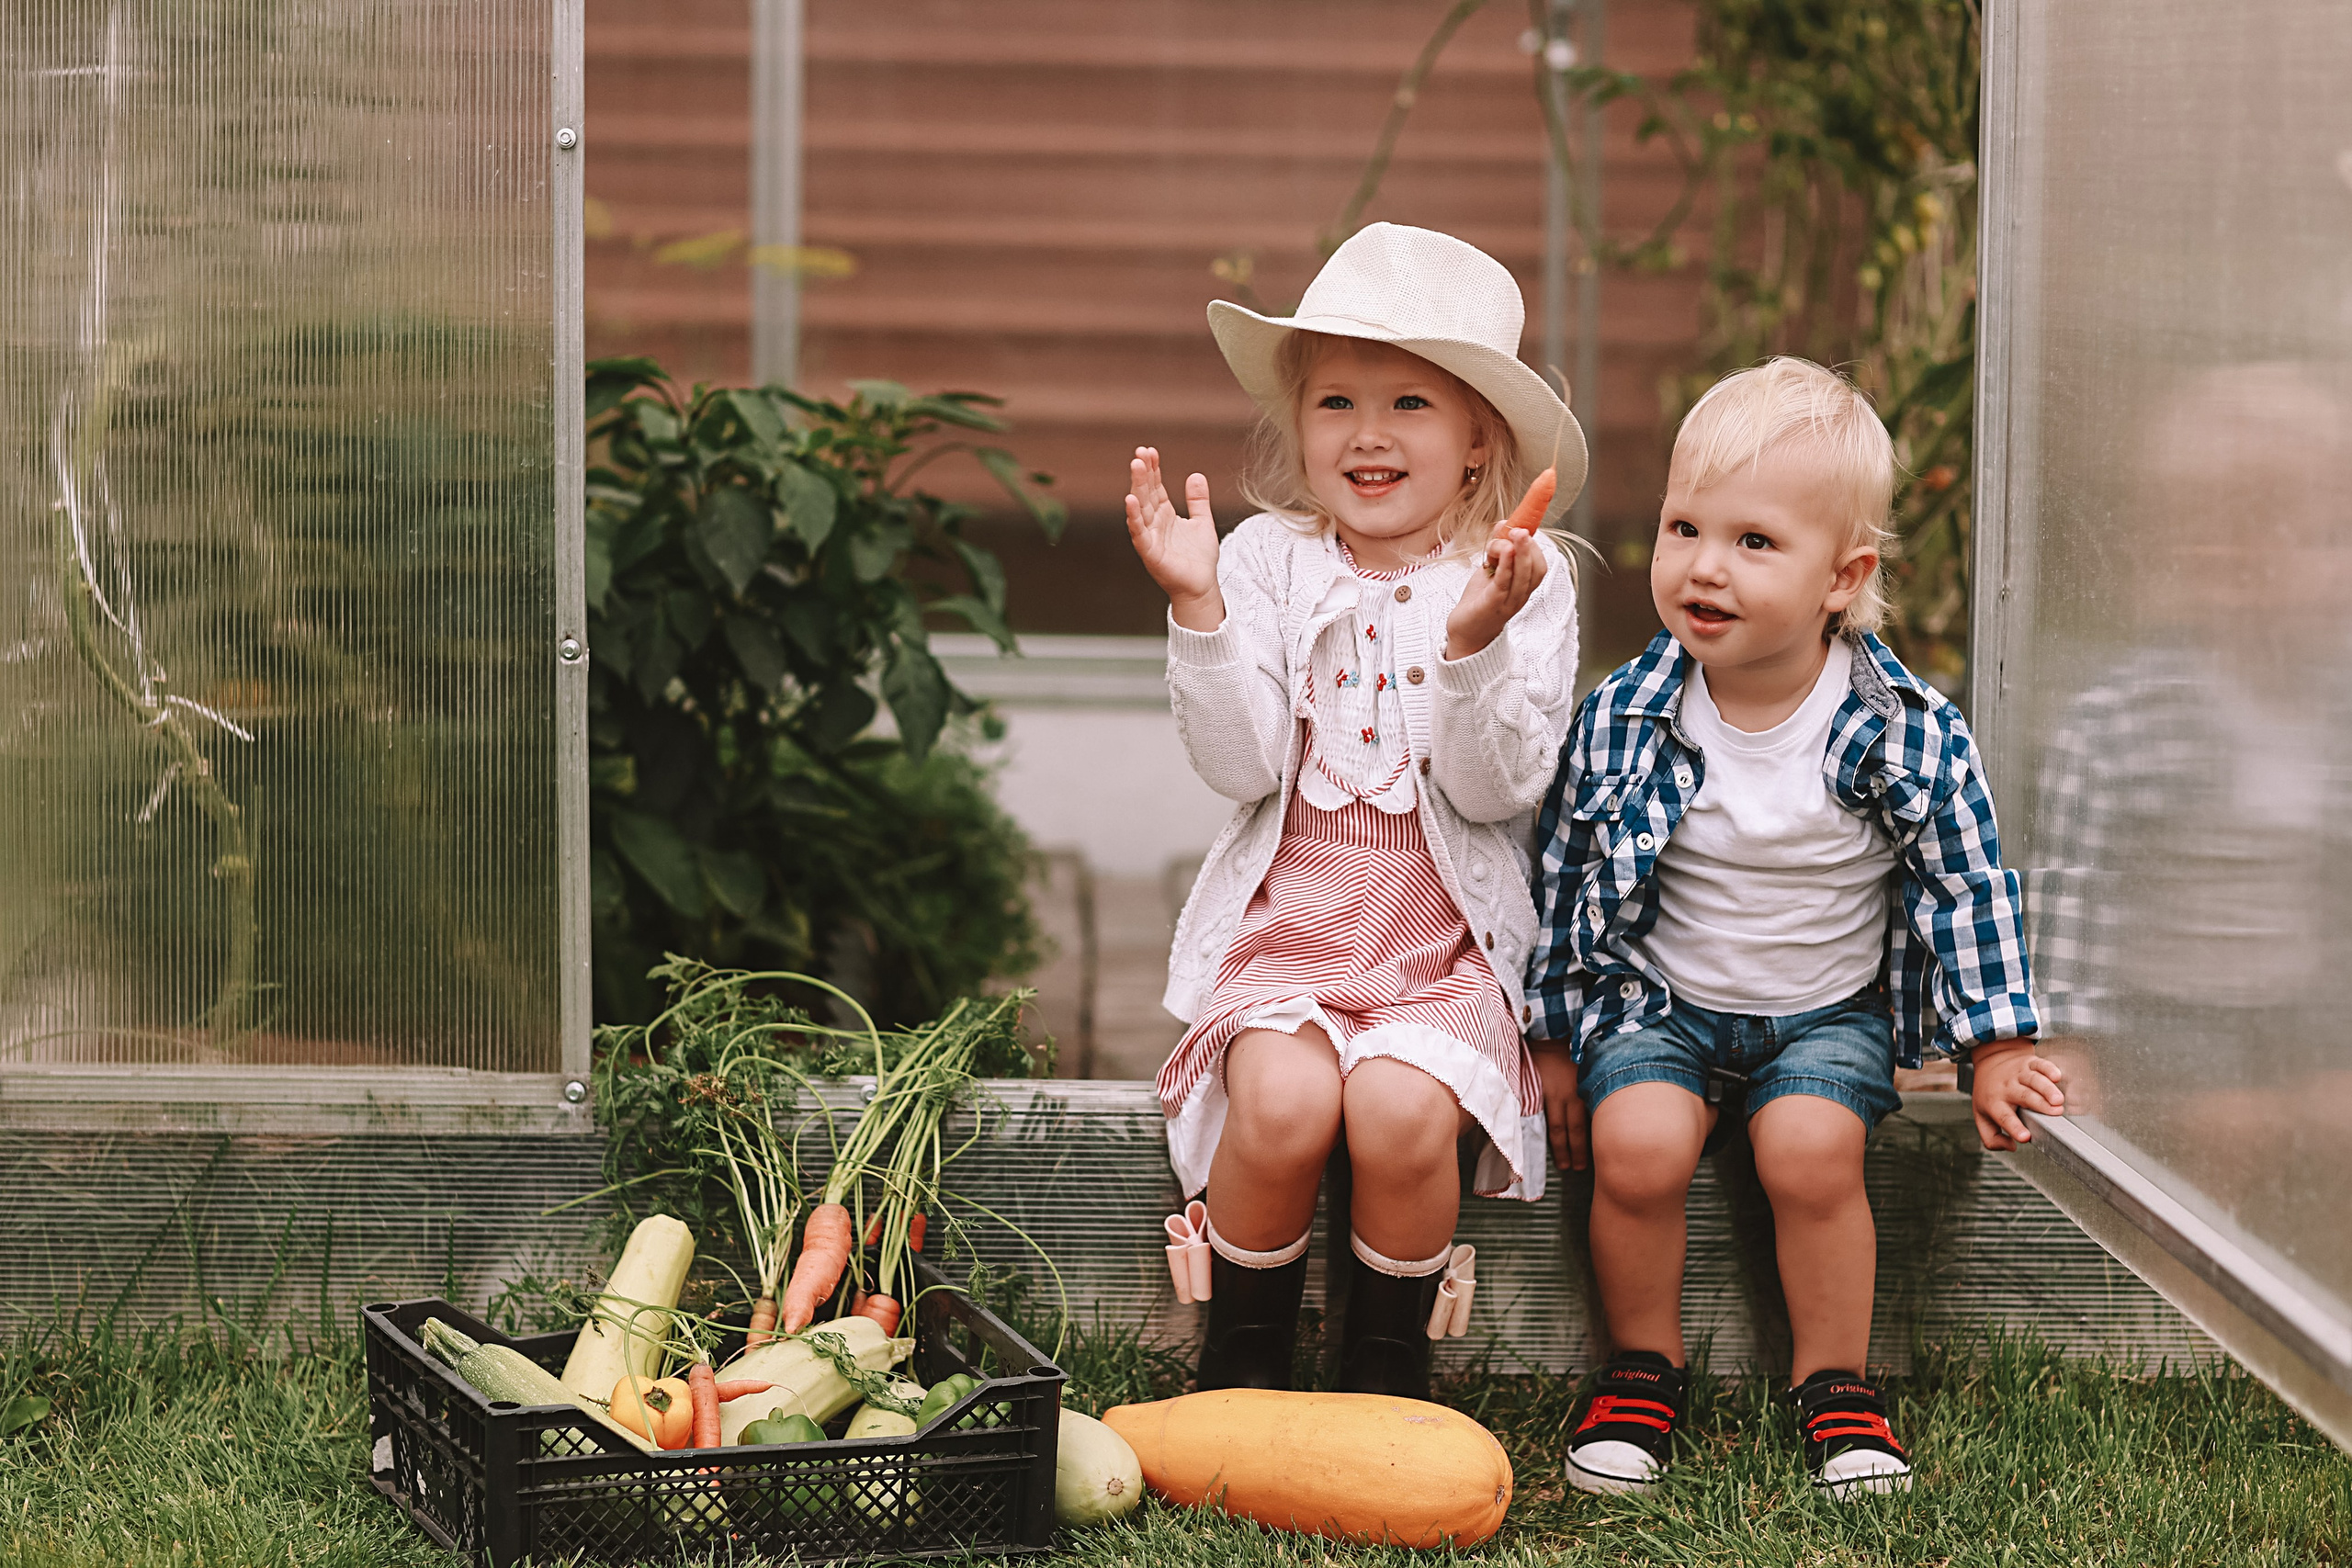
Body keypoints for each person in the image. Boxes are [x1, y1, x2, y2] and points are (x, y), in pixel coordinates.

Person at [1523, 357, 2062, 1498]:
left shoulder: (1901, 732)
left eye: (1754, 543)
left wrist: (1996, 1043)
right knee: (1636, 1149)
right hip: (1657, 1006)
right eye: (1683, 528)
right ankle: (1639, 1368)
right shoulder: (1627, 711)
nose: (1704, 567)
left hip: (1826, 1014)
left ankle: (1837, 1386)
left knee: (1809, 1154)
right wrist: (1557, 1038)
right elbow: (1566, 871)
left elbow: (1964, 883)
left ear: (1842, 576)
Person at [1129, 222, 1585, 1398]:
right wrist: (1199, 608)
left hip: (1441, 946)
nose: (1367, 433)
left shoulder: (1523, 574)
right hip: (1292, 931)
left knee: (1394, 1112)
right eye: (1335, 400)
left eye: (1411, 406)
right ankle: (1240, 1371)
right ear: (1298, 424)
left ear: (1481, 435)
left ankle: (1388, 1381)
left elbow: (1497, 791)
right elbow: (1237, 767)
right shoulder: (1270, 560)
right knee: (1278, 1103)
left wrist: (1472, 647)